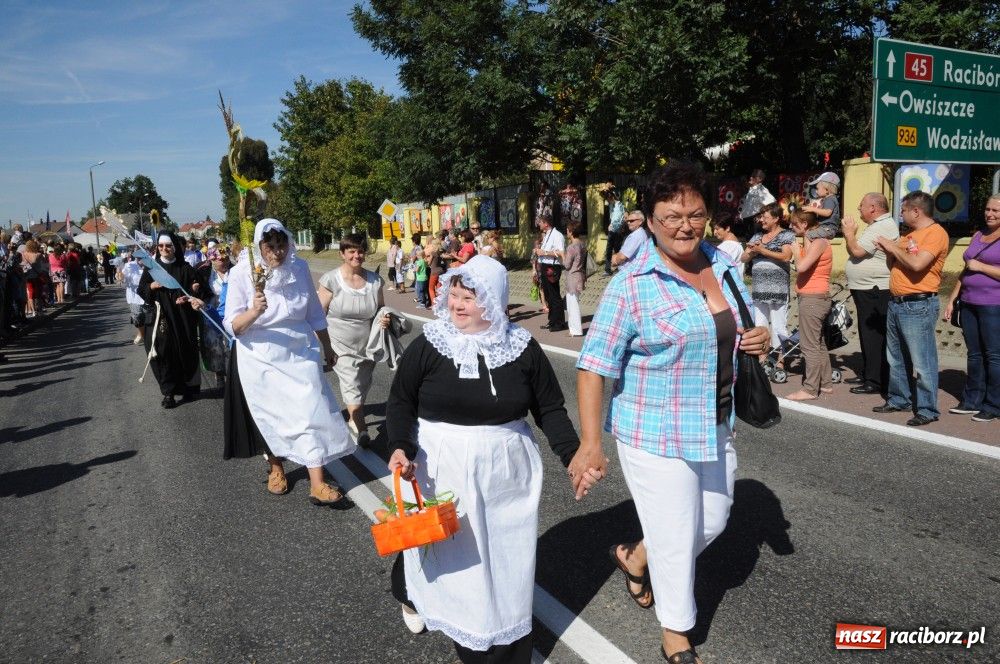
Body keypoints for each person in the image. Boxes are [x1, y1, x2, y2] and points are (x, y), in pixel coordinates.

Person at [575, 162, 770, 662]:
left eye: (696, 214)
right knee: (678, 535)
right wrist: (591, 443)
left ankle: (638, 557)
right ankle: (677, 636)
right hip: (653, 430)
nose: (685, 225)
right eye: (672, 216)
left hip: (715, 423)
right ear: (650, 219)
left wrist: (758, 339)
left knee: (715, 519)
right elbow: (594, 367)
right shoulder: (632, 283)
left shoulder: (723, 265)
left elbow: (740, 325)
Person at [386, 255, 582, 663]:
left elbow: (550, 409)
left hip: (506, 472)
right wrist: (401, 447)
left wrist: (572, 456)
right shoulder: (430, 344)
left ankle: (500, 646)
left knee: (504, 562)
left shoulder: (522, 348)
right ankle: (414, 596)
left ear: (493, 301)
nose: (457, 304)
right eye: (453, 294)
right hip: (441, 466)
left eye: (468, 298)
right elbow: (401, 400)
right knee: (439, 550)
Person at [223, 219, 354, 504]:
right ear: (259, 247)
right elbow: (232, 325)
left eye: (281, 245)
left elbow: (314, 313)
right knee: (273, 415)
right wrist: (254, 312)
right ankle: (276, 466)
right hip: (260, 355)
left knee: (312, 410)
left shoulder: (300, 268)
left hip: (300, 350)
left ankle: (317, 482)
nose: (277, 252)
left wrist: (327, 346)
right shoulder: (241, 273)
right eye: (270, 246)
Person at [872, 190, 949, 426]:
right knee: (895, 357)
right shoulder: (908, 236)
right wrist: (890, 251)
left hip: (918, 304)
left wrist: (892, 247)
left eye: (904, 210)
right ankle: (899, 398)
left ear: (916, 211)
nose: (901, 215)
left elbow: (917, 264)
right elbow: (893, 264)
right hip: (897, 303)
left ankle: (927, 409)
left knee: (922, 360)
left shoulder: (935, 234)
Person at [317, 233, 390, 447]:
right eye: (351, 251)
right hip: (340, 344)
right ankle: (362, 429)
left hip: (368, 345)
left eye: (360, 251)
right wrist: (322, 346)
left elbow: (380, 309)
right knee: (351, 384)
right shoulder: (331, 279)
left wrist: (384, 318)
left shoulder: (375, 280)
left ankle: (353, 417)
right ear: (342, 254)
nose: (356, 255)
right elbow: (318, 314)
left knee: (363, 384)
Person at [943, 194, 1000, 423]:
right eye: (988, 209)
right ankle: (972, 400)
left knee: (994, 356)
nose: (990, 214)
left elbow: (976, 265)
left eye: (996, 210)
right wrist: (952, 298)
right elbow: (966, 269)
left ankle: (993, 404)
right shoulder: (979, 234)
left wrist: (982, 267)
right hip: (968, 302)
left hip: (993, 304)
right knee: (974, 354)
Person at [137, 233, 204, 408]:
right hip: (162, 317)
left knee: (184, 351)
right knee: (164, 352)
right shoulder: (152, 268)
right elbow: (141, 289)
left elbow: (195, 288)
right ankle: (168, 392)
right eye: (160, 246)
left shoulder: (185, 267)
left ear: (175, 247)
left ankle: (186, 388)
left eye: (168, 246)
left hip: (182, 317)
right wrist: (151, 286)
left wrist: (191, 293)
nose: (164, 249)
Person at [841, 193, 898, 395]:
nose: (859, 208)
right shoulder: (876, 226)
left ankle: (875, 380)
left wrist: (849, 232)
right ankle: (868, 373)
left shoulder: (882, 226)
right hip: (866, 287)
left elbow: (856, 251)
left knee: (873, 335)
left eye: (862, 205)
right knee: (867, 333)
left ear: (873, 207)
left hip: (875, 289)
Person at [785, 210, 834, 401]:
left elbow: (802, 266)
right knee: (818, 343)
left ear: (804, 224)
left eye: (794, 224)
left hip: (814, 298)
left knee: (809, 346)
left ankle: (810, 389)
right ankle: (826, 383)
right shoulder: (814, 240)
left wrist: (796, 252)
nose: (791, 227)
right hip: (814, 297)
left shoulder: (820, 242)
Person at [741, 202, 794, 365]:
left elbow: (786, 256)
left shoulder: (786, 235)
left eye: (765, 217)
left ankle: (781, 360)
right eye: (761, 216)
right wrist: (750, 251)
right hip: (759, 287)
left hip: (778, 288)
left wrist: (762, 251)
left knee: (779, 325)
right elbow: (743, 258)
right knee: (760, 324)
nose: (761, 220)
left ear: (776, 218)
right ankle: (762, 359)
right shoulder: (757, 236)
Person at [192, 246, 233, 390]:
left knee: (229, 342)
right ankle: (219, 374)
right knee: (213, 343)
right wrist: (195, 289)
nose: (222, 261)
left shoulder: (235, 271)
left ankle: (232, 374)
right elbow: (195, 288)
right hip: (210, 308)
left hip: (230, 308)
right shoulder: (203, 272)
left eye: (225, 258)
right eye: (218, 259)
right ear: (211, 259)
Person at [535, 214, 567, 331]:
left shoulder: (557, 235)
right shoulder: (547, 234)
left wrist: (544, 252)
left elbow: (560, 252)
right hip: (544, 265)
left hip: (552, 266)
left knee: (554, 295)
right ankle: (552, 321)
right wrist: (539, 252)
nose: (539, 224)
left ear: (546, 223)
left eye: (540, 222)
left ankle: (559, 323)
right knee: (548, 295)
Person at [561, 221, 587, 337]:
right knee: (573, 303)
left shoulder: (571, 247)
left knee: (573, 305)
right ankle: (573, 329)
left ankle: (575, 330)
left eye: (567, 230)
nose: (567, 232)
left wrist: (561, 255)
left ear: (571, 232)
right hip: (580, 275)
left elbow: (566, 265)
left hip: (572, 277)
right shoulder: (582, 244)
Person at [736, 168, 775, 239]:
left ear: (759, 179)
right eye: (751, 176)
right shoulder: (753, 189)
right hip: (747, 221)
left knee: (755, 244)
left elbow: (772, 202)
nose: (751, 177)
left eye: (753, 176)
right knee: (749, 243)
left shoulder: (761, 190)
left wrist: (761, 215)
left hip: (754, 221)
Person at [801, 172, 841, 239]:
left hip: (828, 229)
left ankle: (810, 250)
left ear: (826, 190)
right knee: (809, 232)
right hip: (826, 229)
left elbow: (827, 212)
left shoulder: (830, 199)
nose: (816, 191)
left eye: (817, 188)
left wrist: (813, 209)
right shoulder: (829, 199)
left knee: (807, 235)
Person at [710, 212, 744, 279]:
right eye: (714, 229)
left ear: (727, 228)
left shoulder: (729, 247)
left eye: (717, 229)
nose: (714, 233)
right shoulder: (735, 245)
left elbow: (718, 269)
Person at [602, 184, 626, 275]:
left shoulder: (619, 205)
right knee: (608, 250)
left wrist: (611, 225)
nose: (607, 200)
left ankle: (621, 268)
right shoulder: (611, 205)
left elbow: (617, 218)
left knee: (617, 250)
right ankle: (607, 269)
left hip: (617, 231)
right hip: (612, 230)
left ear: (611, 197)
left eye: (608, 198)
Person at [425, 239, 444, 304]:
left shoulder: (433, 253)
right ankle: (440, 302)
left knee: (431, 288)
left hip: (434, 271)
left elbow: (429, 263)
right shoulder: (440, 252)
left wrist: (427, 259)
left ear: (434, 245)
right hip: (440, 270)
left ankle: (434, 304)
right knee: (439, 288)